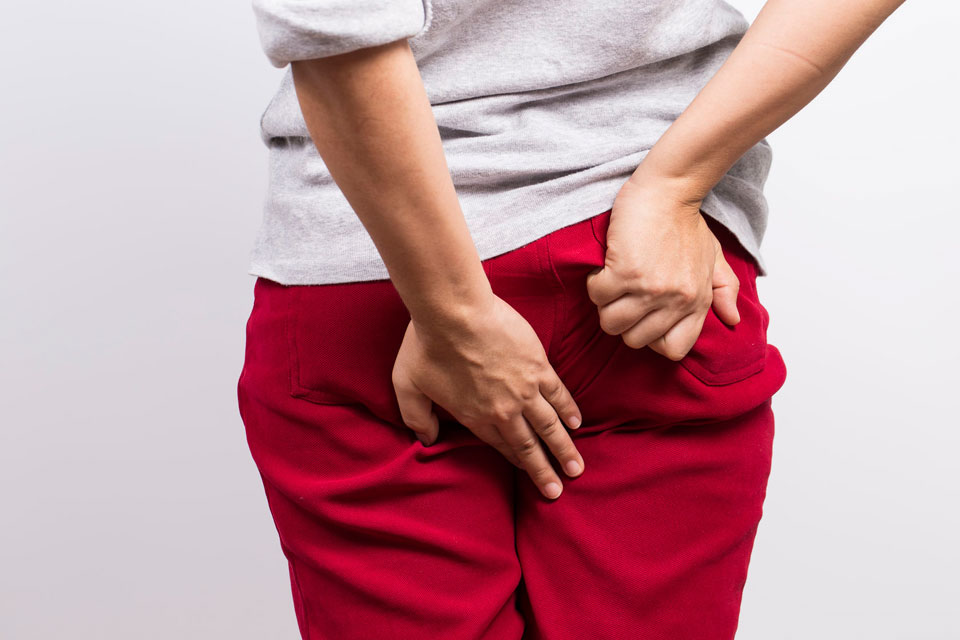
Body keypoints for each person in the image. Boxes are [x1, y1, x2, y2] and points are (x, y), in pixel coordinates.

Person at [237, 0, 906, 637]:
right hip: (643, 271)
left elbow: (332, 24)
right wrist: (673, 185)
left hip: (381, 268)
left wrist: (452, 311)